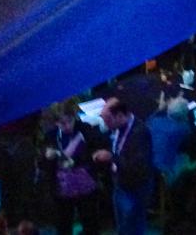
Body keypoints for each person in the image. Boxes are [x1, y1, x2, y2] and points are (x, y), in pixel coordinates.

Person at [94, 98, 154, 235]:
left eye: (108, 120)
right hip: (120, 183)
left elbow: (137, 166)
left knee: (132, 226)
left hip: (135, 187)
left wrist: (111, 157)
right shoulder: (120, 126)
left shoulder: (139, 133)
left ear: (120, 116)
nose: (105, 124)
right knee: (122, 226)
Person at [42, 99, 101, 235]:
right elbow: (44, 162)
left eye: (70, 120)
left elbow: (96, 150)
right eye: (62, 123)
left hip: (85, 184)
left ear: (74, 117)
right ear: (56, 122)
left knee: (90, 222)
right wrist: (47, 156)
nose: (67, 125)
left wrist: (76, 161)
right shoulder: (51, 136)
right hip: (62, 188)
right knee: (63, 223)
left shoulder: (86, 129)